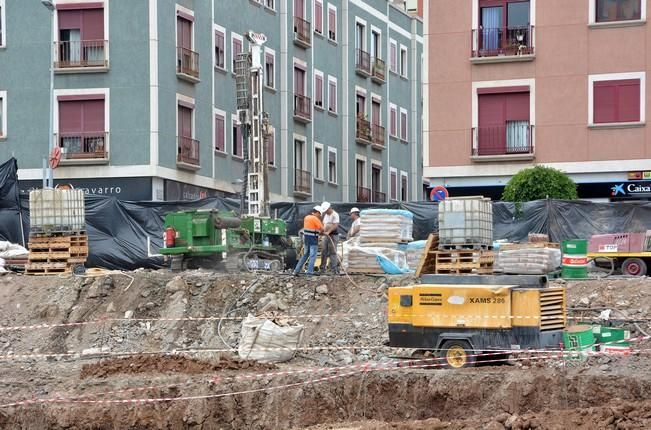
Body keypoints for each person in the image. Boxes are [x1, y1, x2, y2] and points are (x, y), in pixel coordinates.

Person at [293, 206, 323, 275]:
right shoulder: (315, 219)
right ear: (317, 212)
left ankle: (296, 270)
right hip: (313, 240)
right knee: (313, 256)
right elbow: (322, 229)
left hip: (306, 240)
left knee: (305, 255)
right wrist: (322, 232)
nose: (319, 216)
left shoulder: (306, 218)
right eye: (320, 214)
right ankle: (309, 272)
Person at [319, 201, 340, 274]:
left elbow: (335, 225)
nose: (325, 212)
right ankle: (322, 269)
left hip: (333, 236)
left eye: (326, 211)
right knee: (323, 252)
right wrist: (322, 232)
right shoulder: (326, 215)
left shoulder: (335, 215)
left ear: (329, 208)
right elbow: (324, 224)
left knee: (332, 252)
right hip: (326, 235)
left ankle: (334, 269)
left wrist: (329, 231)